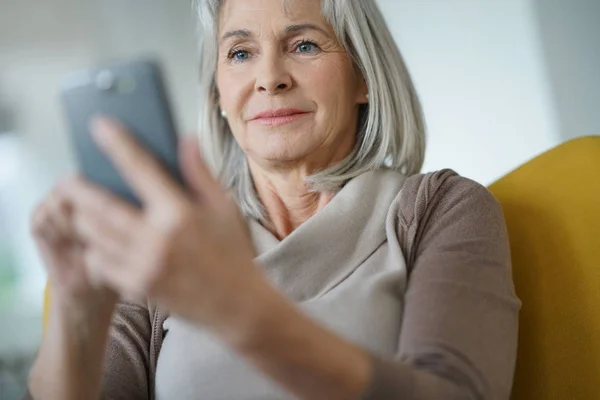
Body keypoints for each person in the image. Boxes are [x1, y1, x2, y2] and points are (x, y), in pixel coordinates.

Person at [25, 0, 521, 399]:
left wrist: (244, 315)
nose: (269, 78)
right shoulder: (167, 242)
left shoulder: (442, 208)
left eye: (303, 45)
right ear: (218, 94)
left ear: (364, 77)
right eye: (240, 54)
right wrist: (76, 313)